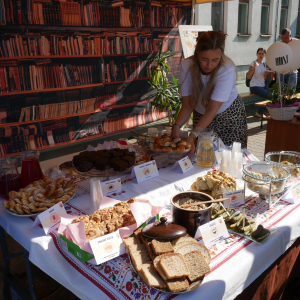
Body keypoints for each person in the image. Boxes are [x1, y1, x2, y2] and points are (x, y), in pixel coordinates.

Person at [171, 31, 247, 153]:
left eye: (215, 60)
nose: (209, 65)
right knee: (201, 156)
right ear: (197, 53)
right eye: (204, 59)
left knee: (229, 158)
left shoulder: (226, 69)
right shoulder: (187, 65)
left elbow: (212, 109)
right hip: (202, 116)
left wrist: (192, 135)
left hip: (229, 117)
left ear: (221, 56)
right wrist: (176, 126)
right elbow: (187, 105)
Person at [247, 48, 271, 118]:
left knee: (274, 94)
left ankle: (263, 110)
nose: (261, 55)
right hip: (254, 86)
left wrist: (266, 73)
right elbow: (248, 76)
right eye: (259, 53)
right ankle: (259, 112)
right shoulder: (253, 63)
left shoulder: (263, 64)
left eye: (262, 53)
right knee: (270, 96)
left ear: (264, 55)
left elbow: (263, 78)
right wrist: (253, 68)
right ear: (257, 54)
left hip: (262, 85)